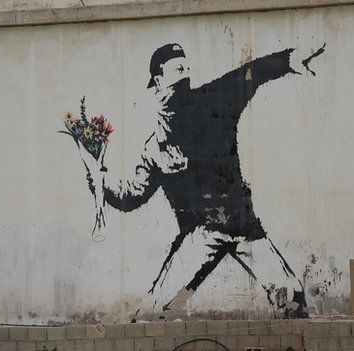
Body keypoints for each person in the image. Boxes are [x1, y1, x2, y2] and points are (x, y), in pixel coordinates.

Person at [78, 42, 325, 318]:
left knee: (292, 301)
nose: (184, 73)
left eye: (186, 68)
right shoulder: (156, 146)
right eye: (177, 69)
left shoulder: (213, 100)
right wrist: (98, 180)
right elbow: (130, 197)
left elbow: (250, 74)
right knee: (152, 314)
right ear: (158, 81)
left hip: (245, 228)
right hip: (200, 237)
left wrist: (288, 59)